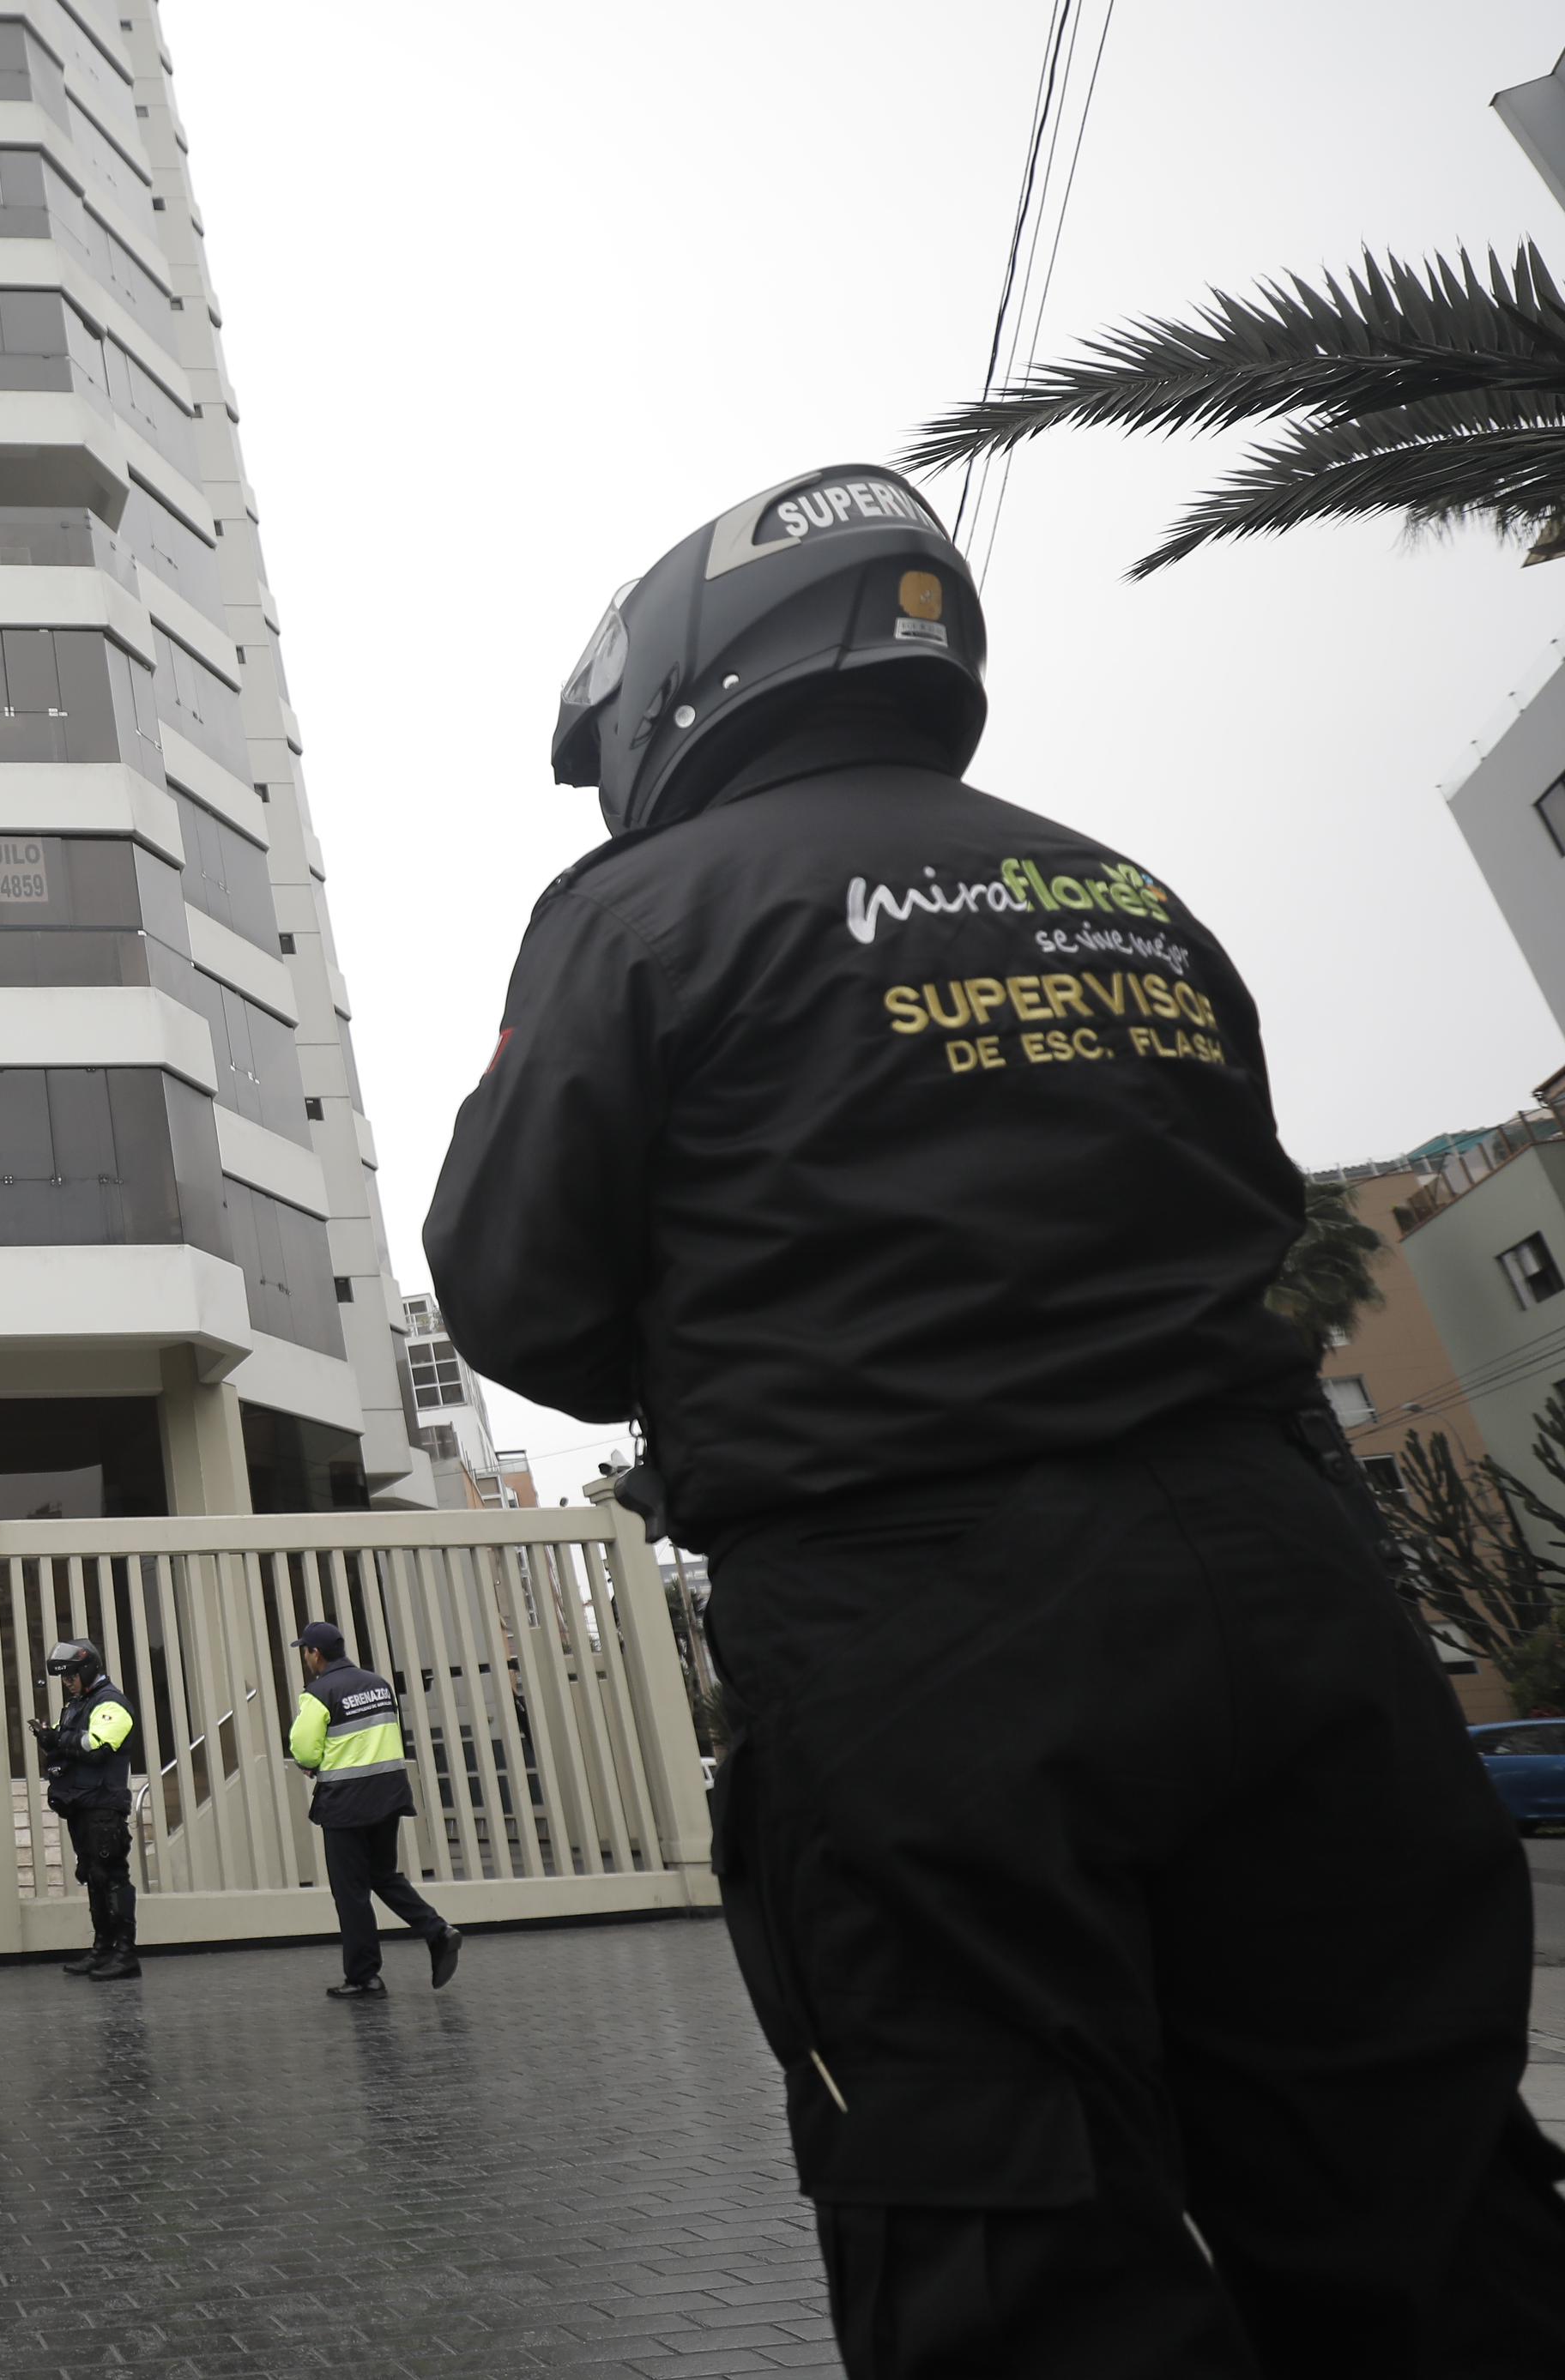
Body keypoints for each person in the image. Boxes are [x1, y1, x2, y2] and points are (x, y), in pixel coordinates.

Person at [423, 462, 1565, 2371]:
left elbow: (511, 1280)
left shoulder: (639, 909)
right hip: (1292, 1584)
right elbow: (1236, 1202)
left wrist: (744, 1351)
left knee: (1005, 2226)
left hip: (921, 1619)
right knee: (1421, 2183)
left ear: (678, 680)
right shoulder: (1125, 896)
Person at [287, 1619, 459, 2000]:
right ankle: (437, 1931)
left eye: (306, 1651)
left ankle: (365, 1976)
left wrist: (312, 1763)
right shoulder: (379, 1684)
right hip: (388, 1797)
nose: (305, 1658)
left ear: (315, 1654)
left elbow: (303, 1748)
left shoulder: (318, 1692)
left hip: (346, 1804)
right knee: (383, 1874)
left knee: (350, 1892)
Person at [38, 1640, 138, 1980]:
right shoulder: (77, 1704)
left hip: (103, 1805)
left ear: (88, 1668)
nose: (67, 1682)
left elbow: (96, 1747)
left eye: (71, 1675)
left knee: (112, 1876)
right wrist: (50, 1738)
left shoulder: (111, 1703)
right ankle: (102, 1949)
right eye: (63, 1677)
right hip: (81, 1804)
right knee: (94, 1877)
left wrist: (59, 1741)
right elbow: (70, 1741)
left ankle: (125, 1955)